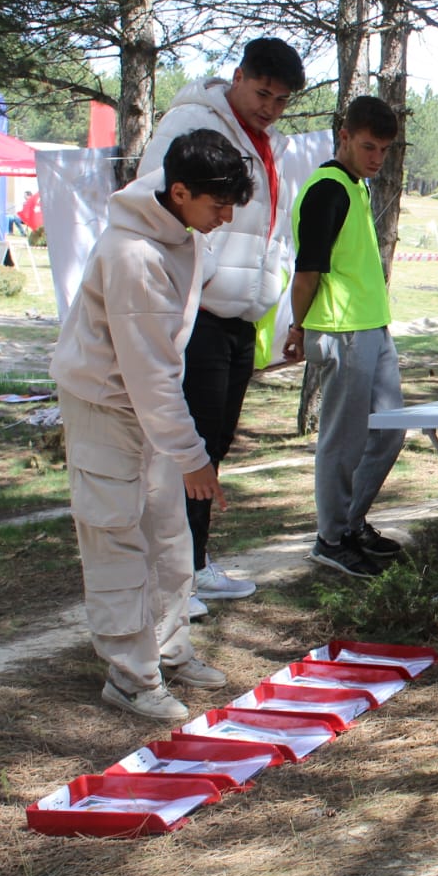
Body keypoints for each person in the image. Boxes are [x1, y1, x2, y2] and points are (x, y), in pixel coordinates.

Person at [50, 129, 253, 720]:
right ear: (181, 192)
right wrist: (194, 457)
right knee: (117, 534)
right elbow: (150, 375)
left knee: (169, 535)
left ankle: (167, 648)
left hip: (145, 405)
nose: (225, 217)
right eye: (218, 206)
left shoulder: (177, 225)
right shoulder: (133, 255)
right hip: (107, 405)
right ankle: (130, 676)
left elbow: (159, 370)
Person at [140, 37, 307, 616]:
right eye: (262, 93)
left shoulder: (271, 143)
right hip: (200, 313)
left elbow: (271, 232)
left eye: (282, 100)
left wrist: (269, 292)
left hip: (240, 316)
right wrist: (195, 281)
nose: (270, 107)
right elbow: (155, 202)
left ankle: (193, 562)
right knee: (187, 451)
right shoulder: (192, 122)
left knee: (214, 447)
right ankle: (167, 577)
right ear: (236, 76)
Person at [282, 96, 406, 579]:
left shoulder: (357, 187)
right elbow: (307, 271)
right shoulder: (328, 189)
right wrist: (297, 327)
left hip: (372, 325)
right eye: (369, 147)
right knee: (343, 439)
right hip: (341, 330)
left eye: (384, 150)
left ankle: (350, 523)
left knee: (389, 432)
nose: (376, 158)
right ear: (345, 138)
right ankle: (331, 538)